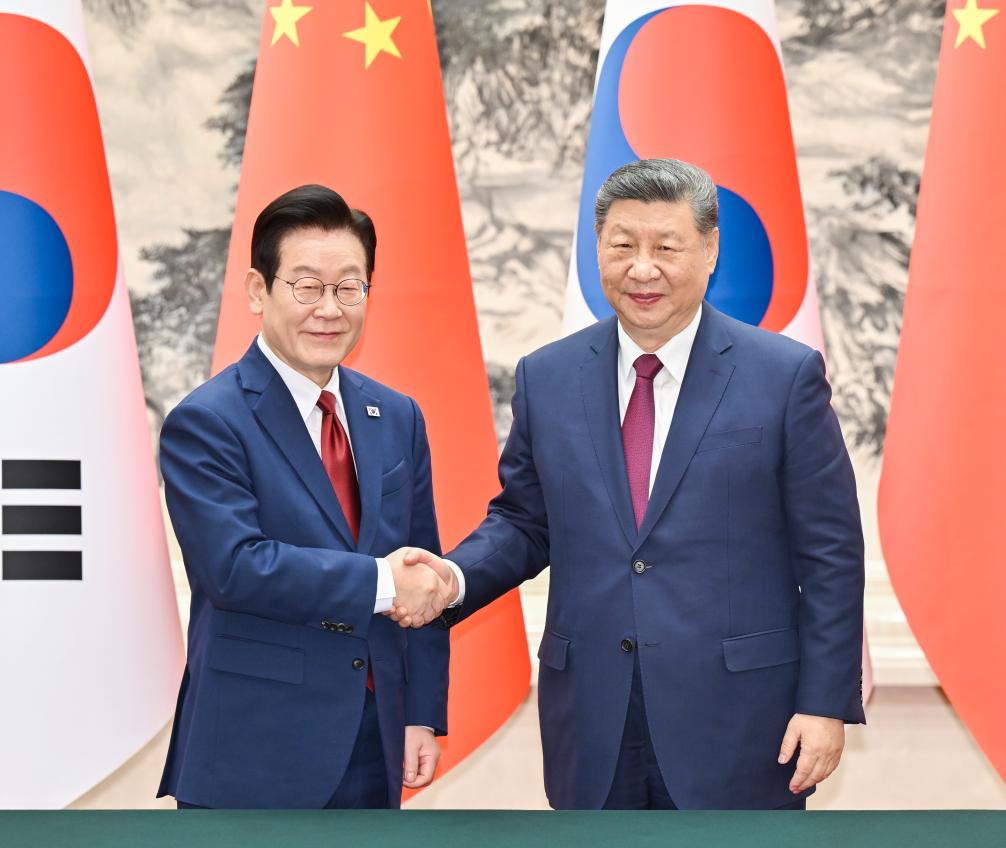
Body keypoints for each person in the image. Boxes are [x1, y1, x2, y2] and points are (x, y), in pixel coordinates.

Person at [394, 159, 866, 810]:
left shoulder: (783, 378)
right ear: (598, 252)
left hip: (741, 724)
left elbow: (832, 554)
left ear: (708, 252)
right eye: (623, 246)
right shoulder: (548, 377)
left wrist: (824, 704)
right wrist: (454, 578)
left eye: (666, 247)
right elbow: (525, 524)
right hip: (594, 721)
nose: (642, 269)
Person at [157, 184, 454, 809]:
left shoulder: (396, 415)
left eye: (349, 286)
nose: (330, 308)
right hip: (253, 749)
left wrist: (420, 714)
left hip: (375, 742)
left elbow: (420, 565)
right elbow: (234, 568)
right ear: (259, 290)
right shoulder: (207, 421)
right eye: (307, 285)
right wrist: (378, 581)